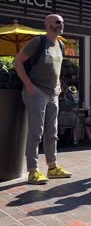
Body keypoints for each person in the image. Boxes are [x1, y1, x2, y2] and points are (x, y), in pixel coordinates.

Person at [14, 14, 72, 184]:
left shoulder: (60, 44)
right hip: (36, 92)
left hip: (53, 93)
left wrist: (59, 85)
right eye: (57, 22)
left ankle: (52, 168)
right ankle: (33, 171)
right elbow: (17, 62)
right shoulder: (38, 42)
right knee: (35, 132)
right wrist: (29, 86)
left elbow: (56, 68)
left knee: (52, 132)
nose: (61, 24)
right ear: (47, 24)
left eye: (62, 22)